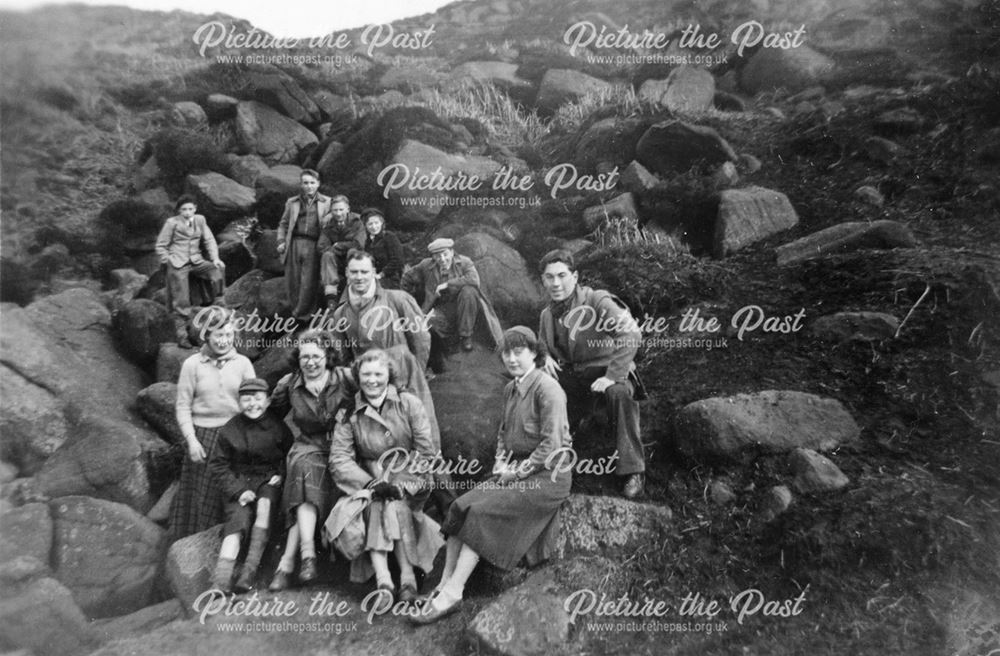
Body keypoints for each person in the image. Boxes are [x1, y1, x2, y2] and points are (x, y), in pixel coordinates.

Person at [411, 326, 572, 625]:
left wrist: (517, 472)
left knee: (481, 513)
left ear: (534, 353)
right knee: (461, 505)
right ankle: (443, 584)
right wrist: (501, 462)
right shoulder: (511, 388)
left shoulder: (548, 389)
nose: (511, 359)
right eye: (506, 353)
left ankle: (454, 593)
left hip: (548, 476)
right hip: (514, 470)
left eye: (518, 351)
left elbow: (553, 445)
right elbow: (502, 433)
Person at [327, 349, 443, 603]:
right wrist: (370, 483)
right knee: (380, 502)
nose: (372, 380)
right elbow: (339, 458)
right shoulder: (349, 412)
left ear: (389, 375)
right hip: (368, 478)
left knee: (394, 501)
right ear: (357, 376)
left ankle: (394, 580)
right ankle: (398, 581)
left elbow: (425, 451)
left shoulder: (408, 403)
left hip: (410, 477)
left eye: (378, 374)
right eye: (366, 374)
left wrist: (402, 485)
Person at [537, 249, 645, 499]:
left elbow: (631, 334)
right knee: (542, 391)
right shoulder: (546, 315)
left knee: (619, 394)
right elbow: (542, 344)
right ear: (542, 280)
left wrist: (612, 375)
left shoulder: (596, 300)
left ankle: (633, 470)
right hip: (575, 378)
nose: (556, 283)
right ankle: (551, 460)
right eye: (549, 277)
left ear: (574, 277)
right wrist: (546, 357)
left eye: (562, 275)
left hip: (608, 370)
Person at [266, 330, 355, 591]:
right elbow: (270, 419)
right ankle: (308, 557)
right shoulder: (288, 384)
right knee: (303, 469)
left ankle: (287, 563)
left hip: (343, 445)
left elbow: (377, 390)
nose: (311, 362)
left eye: (316, 356)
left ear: (328, 356)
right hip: (309, 445)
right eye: (305, 357)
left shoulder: (347, 378)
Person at [328, 249, 440, 442]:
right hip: (368, 384)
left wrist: (414, 371)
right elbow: (342, 356)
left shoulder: (398, 299)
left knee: (420, 436)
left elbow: (421, 338)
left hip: (405, 379)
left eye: (364, 272)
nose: (359, 277)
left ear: (373, 272)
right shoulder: (341, 314)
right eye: (354, 272)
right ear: (346, 273)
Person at [169, 306, 256, 542]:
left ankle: (228, 548)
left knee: (231, 496)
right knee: (200, 500)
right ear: (206, 335)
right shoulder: (192, 365)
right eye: (218, 335)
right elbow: (183, 406)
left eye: (229, 335)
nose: (224, 340)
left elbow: (253, 404)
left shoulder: (243, 364)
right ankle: (194, 550)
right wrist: (191, 440)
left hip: (234, 438)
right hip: (203, 438)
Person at [207, 378, 293, 593]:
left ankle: (248, 572)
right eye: (246, 399)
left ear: (266, 401)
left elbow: (289, 455)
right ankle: (220, 581)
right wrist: (238, 491)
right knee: (237, 521)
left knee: (265, 504)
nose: (252, 404)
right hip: (239, 481)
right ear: (239, 402)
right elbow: (218, 465)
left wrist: (281, 475)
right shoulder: (230, 429)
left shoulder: (277, 426)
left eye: (258, 398)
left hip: (267, 478)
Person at [401, 238, 502, 353]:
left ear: (452, 252)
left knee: (469, 291)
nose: (442, 259)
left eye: (445, 254)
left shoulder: (464, 262)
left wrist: (447, 284)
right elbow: (407, 278)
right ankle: (449, 345)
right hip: (441, 306)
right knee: (430, 325)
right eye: (438, 256)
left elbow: (474, 280)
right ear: (433, 257)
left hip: (465, 304)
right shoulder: (426, 265)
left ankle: (466, 335)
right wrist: (408, 299)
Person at [276, 169, 334, 324]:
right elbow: (283, 224)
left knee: (309, 281)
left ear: (318, 184)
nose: (309, 186)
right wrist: (281, 241)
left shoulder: (327, 202)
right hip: (294, 243)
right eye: (306, 183)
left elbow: (333, 222)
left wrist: (330, 216)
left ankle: (304, 316)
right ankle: (296, 313)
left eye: (312, 183)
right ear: (301, 184)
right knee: (292, 281)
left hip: (314, 245)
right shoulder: (292, 202)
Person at [154, 195, 225, 318]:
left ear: (195, 209)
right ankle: (184, 319)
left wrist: (215, 258)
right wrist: (169, 260)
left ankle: (218, 302)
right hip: (178, 263)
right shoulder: (172, 223)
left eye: (190, 209)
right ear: (179, 211)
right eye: (184, 209)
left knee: (217, 269)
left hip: (196, 261)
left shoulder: (200, 220)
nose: (187, 213)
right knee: (181, 299)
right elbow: (160, 246)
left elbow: (209, 240)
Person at [319, 195, 365, 307]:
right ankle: (331, 298)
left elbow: (359, 244)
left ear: (348, 209)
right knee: (327, 255)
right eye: (335, 210)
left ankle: (353, 292)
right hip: (338, 261)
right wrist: (335, 249)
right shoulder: (329, 224)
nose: (338, 213)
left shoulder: (357, 222)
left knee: (352, 251)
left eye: (341, 209)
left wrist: (338, 245)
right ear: (331, 211)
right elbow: (321, 246)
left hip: (355, 260)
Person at [359, 208, 403, 289]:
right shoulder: (368, 241)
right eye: (370, 224)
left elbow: (397, 260)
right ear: (365, 225)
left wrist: (381, 274)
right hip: (373, 276)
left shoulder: (389, 237)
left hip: (390, 278)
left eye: (376, 223)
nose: (374, 227)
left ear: (381, 223)